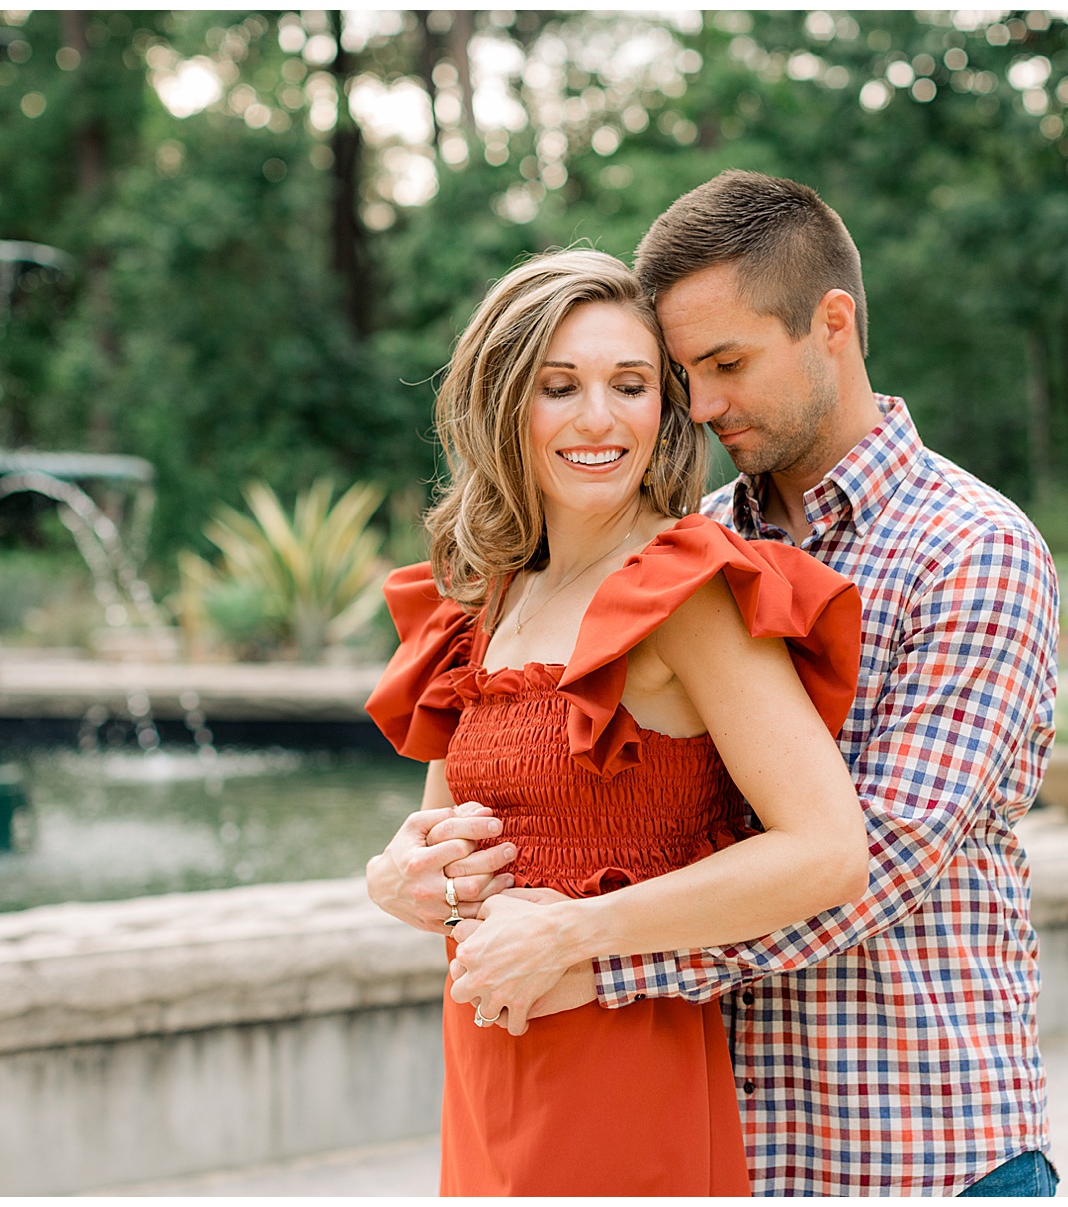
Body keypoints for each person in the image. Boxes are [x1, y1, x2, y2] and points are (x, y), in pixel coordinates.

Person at [374, 171, 1062, 1197]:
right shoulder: (687, 543)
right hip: (723, 1122)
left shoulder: (972, 549)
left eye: (725, 363)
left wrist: (594, 958)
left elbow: (874, 859)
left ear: (832, 324)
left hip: (912, 1145)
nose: (700, 404)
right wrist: (408, 876)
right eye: (682, 371)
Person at [362, 248, 871, 1196]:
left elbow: (829, 850)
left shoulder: (689, 589)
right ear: (505, 402)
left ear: (662, 411)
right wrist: (396, 876)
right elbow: (445, 838)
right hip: (487, 1060)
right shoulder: (485, 596)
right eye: (561, 386)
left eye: (629, 385)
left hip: (625, 1072)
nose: (599, 418)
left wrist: (576, 933)